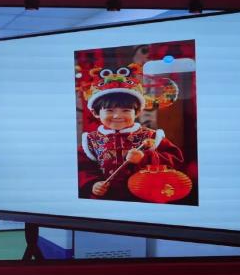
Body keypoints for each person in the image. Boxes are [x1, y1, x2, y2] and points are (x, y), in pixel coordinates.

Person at [78, 65, 184, 201]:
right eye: (109, 110)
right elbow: (82, 168)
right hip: (106, 200)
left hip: (144, 197)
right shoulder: (91, 141)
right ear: (96, 112)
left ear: (137, 112)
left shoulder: (151, 136)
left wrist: (145, 158)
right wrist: (92, 184)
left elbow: (176, 161)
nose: (117, 116)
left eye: (126, 110)